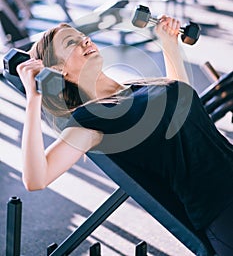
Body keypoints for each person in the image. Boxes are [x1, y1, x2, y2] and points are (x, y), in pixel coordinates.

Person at [17, 15, 233, 256]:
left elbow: (181, 107)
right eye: (71, 43)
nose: (85, 41)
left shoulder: (135, 87)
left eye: (82, 37)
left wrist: (169, 44)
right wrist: (33, 98)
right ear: (58, 70)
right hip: (220, 205)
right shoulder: (90, 120)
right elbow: (36, 179)